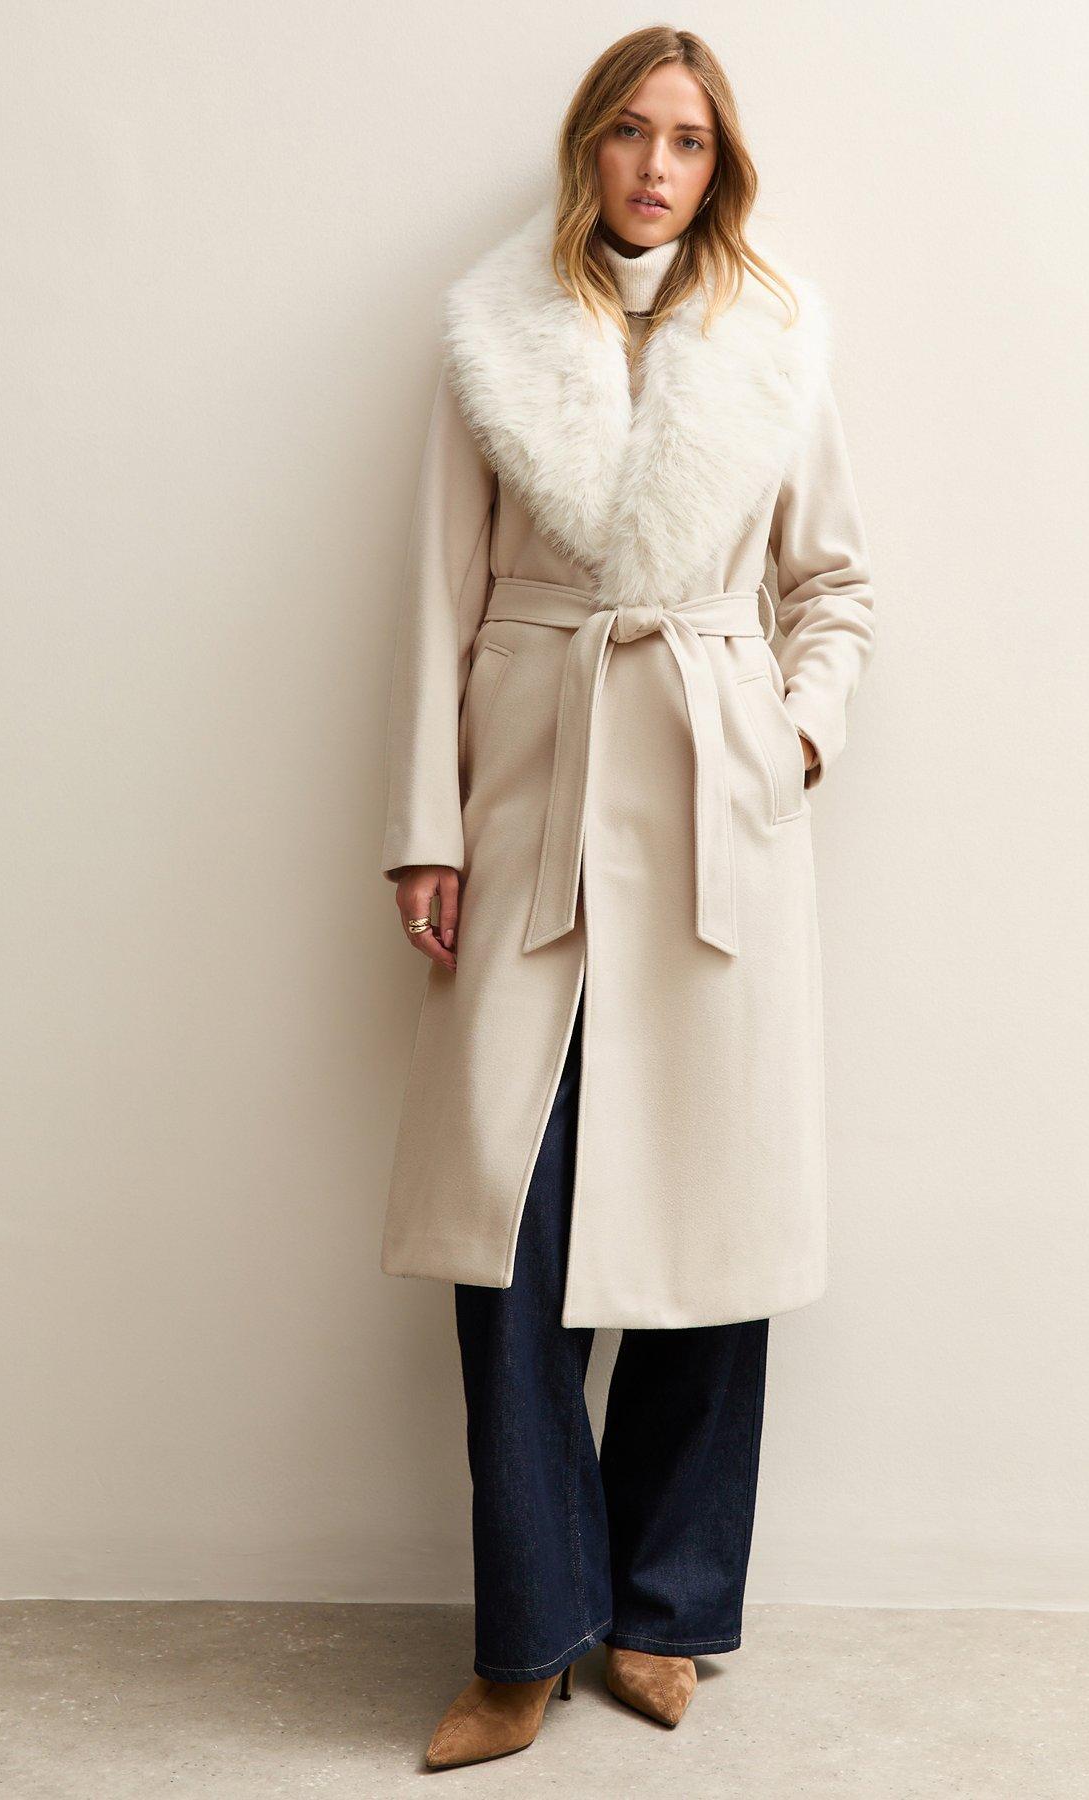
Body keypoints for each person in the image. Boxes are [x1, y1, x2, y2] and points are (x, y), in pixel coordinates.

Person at [378, 25, 877, 1772]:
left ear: (716, 162)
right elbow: (432, 599)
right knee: (505, 1239)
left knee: (709, 1231)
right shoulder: (491, 329)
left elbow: (836, 585)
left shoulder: (774, 332)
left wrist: (785, 741)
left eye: (688, 140)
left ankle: (666, 1612)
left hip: (716, 812)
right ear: (585, 145)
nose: (656, 168)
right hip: (530, 804)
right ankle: (523, 1640)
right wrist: (423, 830)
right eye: (629, 134)